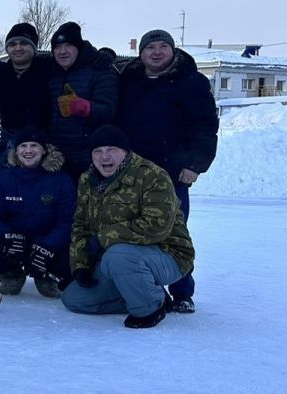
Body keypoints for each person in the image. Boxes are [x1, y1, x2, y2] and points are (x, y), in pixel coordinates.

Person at [117, 30, 218, 314]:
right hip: (131, 172)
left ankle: (182, 291)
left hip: (172, 172)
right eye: (151, 47)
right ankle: (146, 288)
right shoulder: (129, 80)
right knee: (132, 230)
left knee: (173, 232)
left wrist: (195, 164)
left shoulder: (190, 82)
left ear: (173, 51)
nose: (157, 52)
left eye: (163, 46)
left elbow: (205, 126)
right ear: (142, 53)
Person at [61, 126, 195, 329]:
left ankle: (150, 308)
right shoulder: (88, 180)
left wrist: (104, 238)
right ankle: (154, 295)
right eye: (97, 151)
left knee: (118, 255)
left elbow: (156, 226)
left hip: (169, 255)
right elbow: (81, 225)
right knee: (74, 299)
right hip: (116, 259)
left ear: (125, 151)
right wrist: (80, 265)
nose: (104, 156)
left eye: (111, 149)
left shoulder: (152, 176)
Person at [0, 126, 75, 298]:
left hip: (46, 240)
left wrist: (49, 246)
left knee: (66, 259)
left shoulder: (61, 179)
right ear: (16, 151)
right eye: (23, 146)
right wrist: (6, 235)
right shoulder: (4, 177)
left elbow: (67, 221)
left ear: (44, 150)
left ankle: (44, 276)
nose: (28, 151)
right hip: (15, 239)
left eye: (34, 146)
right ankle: (13, 273)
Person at [46, 22, 119, 177]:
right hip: (57, 155)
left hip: (89, 155)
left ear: (78, 47)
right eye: (57, 47)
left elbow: (110, 112)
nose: (62, 51)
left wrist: (84, 107)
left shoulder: (100, 70)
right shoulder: (52, 73)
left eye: (68, 45)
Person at [0, 23, 56, 170]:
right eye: (12, 44)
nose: (18, 48)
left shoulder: (49, 66)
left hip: (41, 143)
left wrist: (103, 55)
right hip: (9, 143)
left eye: (24, 43)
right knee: (6, 187)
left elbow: (76, 56)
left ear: (33, 47)